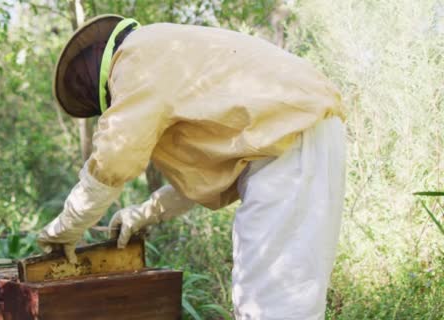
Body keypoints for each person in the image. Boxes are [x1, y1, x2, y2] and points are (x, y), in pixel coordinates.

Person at [37, 14, 345, 320]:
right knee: (279, 298)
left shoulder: (135, 59)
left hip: (289, 143)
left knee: (269, 303)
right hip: (300, 132)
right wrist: (146, 212)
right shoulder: (166, 52)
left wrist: (67, 227)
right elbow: (207, 176)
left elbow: (112, 159)